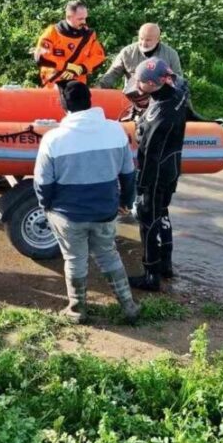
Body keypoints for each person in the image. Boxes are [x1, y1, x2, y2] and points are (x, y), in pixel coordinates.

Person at [33, 82, 140, 324]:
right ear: (91, 100)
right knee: (109, 255)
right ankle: (129, 306)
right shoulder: (115, 131)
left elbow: (42, 182)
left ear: (63, 105)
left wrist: (46, 205)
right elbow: (128, 174)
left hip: (68, 215)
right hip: (105, 211)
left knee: (74, 259)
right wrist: (125, 201)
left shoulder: (53, 138)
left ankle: (77, 310)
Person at [127, 57, 189, 292]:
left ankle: (151, 274)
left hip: (156, 173)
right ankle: (166, 265)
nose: (138, 85)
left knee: (148, 218)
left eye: (141, 82)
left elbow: (148, 154)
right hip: (173, 165)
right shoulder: (180, 89)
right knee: (163, 213)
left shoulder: (156, 117)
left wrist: (140, 188)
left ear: (153, 84)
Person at [33, 0, 107, 88]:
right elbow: (41, 57)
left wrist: (81, 68)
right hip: (52, 84)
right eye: (80, 19)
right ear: (69, 17)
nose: (84, 22)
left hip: (77, 87)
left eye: (85, 18)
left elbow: (98, 57)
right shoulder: (53, 32)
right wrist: (67, 66)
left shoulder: (88, 35)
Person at [97, 23, 183, 92]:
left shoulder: (171, 54)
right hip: (133, 98)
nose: (143, 43)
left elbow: (178, 81)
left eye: (148, 40)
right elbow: (112, 74)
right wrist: (97, 89)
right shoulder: (127, 52)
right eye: (141, 39)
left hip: (161, 99)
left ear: (157, 39)